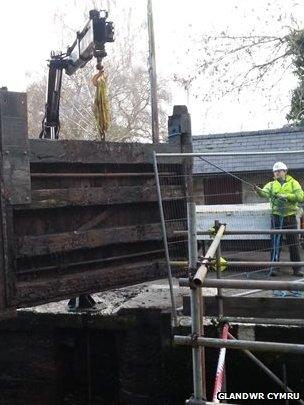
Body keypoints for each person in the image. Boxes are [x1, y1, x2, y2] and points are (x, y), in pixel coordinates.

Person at [254, 162, 304, 276]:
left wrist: (286, 196)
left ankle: (297, 269)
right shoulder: (271, 185)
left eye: (279, 171)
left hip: (290, 216)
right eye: (275, 171)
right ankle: (274, 267)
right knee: (276, 243)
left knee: (294, 244)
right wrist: (258, 190)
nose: (276, 173)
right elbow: (264, 193)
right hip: (276, 216)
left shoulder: (293, 183)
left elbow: (301, 196)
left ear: (285, 171)